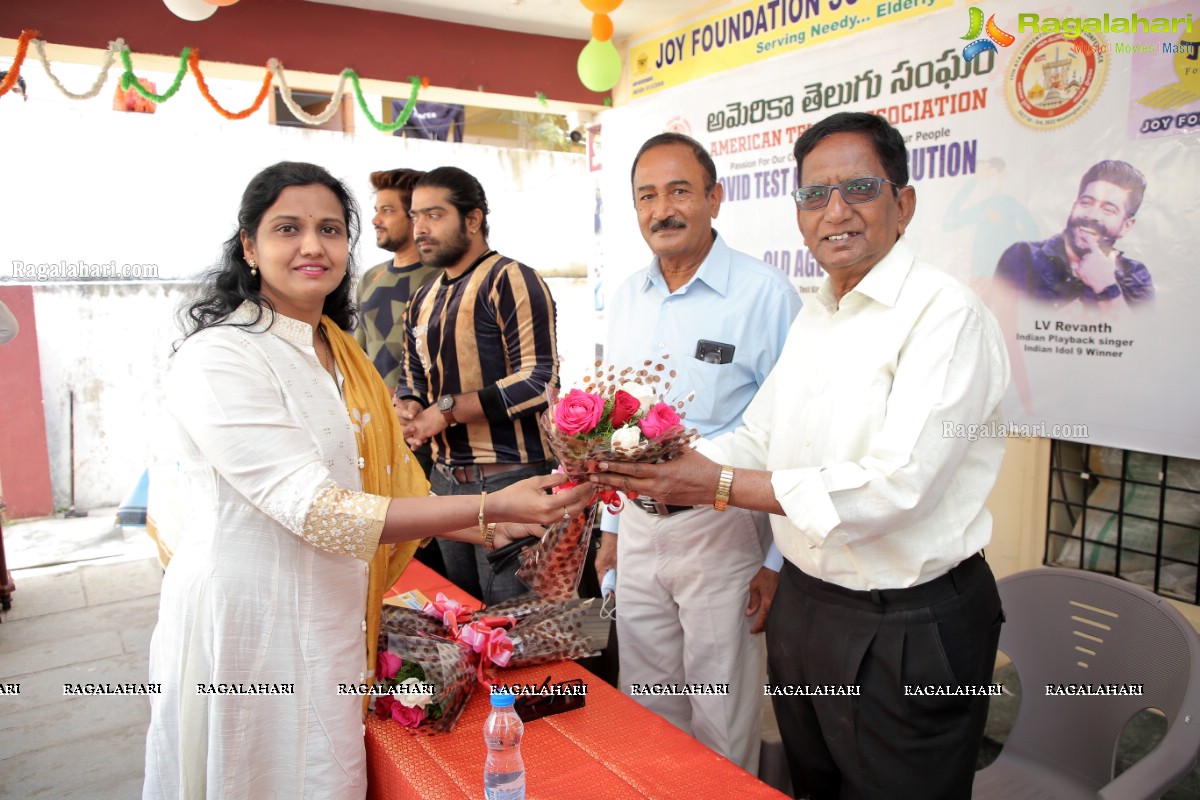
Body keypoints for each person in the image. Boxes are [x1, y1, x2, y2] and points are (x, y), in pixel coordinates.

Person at [590, 112, 1010, 799]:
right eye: (815, 195)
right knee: (812, 783)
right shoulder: (822, 311)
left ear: (903, 204)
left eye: (859, 190)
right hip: (811, 610)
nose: (835, 212)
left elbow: (897, 487)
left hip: (906, 621)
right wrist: (647, 466)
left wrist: (716, 484)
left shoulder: (945, 315)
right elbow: (759, 433)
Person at [142, 161, 592, 799]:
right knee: (254, 776)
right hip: (248, 619)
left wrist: (493, 522)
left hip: (332, 612)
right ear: (248, 245)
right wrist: (489, 505)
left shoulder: (334, 348)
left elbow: (389, 494)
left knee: (326, 778)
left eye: (330, 228)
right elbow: (320, 510)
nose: (312, 245)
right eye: (287, 228)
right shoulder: (222, 354)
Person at [594, 132, 799, 773]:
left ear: (714, 197)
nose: (663, 209)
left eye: (679, 190)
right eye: (646, 196)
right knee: (649, 704)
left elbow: (795, 432)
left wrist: (775, 561)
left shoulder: (766, 296)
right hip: (639, 528)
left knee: (722, 715)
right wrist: (610, 527)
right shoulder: (626, 296)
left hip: (723, 529)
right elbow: (614, 420)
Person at [396, 166, 560, 606]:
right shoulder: (421, 297)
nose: (421, 228)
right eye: (415, 217)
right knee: (461, 620)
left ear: (473, 219)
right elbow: (412, 375)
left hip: (511, 481)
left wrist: (446, 410)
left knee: (518, 632)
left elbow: (539, 381)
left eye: (434, 214)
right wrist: (409, 406)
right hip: (445, 484)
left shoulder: (511, 279)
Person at [995, 160, 1153, 309]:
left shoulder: (1134, 275)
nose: (1092, 215)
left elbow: (1137, 335)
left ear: (1126, 226)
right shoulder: (1023, 256)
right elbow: (998, 325)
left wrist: (1106, 287)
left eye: (1108, 210)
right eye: (1086, 202)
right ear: (1073, 206)